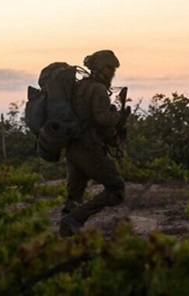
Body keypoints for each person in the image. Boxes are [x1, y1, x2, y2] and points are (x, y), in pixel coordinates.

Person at [59, 50, 129, 237]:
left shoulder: (79, 86)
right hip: (87, 148)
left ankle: (66, 235)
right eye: (109, 68)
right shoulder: (97, 89)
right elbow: (103, 118)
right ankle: (74, 220)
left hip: (72, 147)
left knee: (74, 195)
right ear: (99, 67)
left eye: (114, 69)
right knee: (116, 189)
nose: (112, 72)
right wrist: (118, 116)